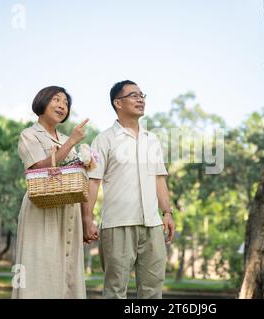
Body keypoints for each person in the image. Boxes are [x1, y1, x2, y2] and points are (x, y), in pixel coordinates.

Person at [86, 80, 175, 299]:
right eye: (133, 95)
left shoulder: (151, 139)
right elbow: (93, 182)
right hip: (118, 224)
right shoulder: (104, 139)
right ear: (117, 103)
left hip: (152, 225)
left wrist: (167, 212)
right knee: (115, 290)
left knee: (153, 290)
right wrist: (87, 219)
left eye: (142, 95)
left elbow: (159, 179)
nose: (140, 99)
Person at [12, 86, 97, 299]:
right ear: (42, 102)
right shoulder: (29, 135)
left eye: (66, 103)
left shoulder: (66, 138)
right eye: (56, 99)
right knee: (39, 269)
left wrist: (88, 220)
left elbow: (81, 180)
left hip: (70, 210)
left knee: (68, 274)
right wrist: (71, 143)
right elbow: (38, 169)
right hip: (41, 211)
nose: (62, 105)